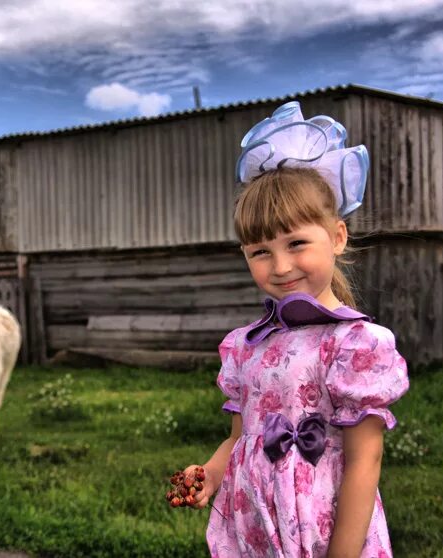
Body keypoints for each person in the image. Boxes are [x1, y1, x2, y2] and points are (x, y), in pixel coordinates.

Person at [180, 101, 410, 557]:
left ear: (338, 237)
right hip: (256, 526)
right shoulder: (246, 346)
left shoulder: (355, 345)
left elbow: (366, 461)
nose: (281, 266)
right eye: (259, 251)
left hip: (323, 531)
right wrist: (210, 472)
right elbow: (240, 439)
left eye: (297, 243)